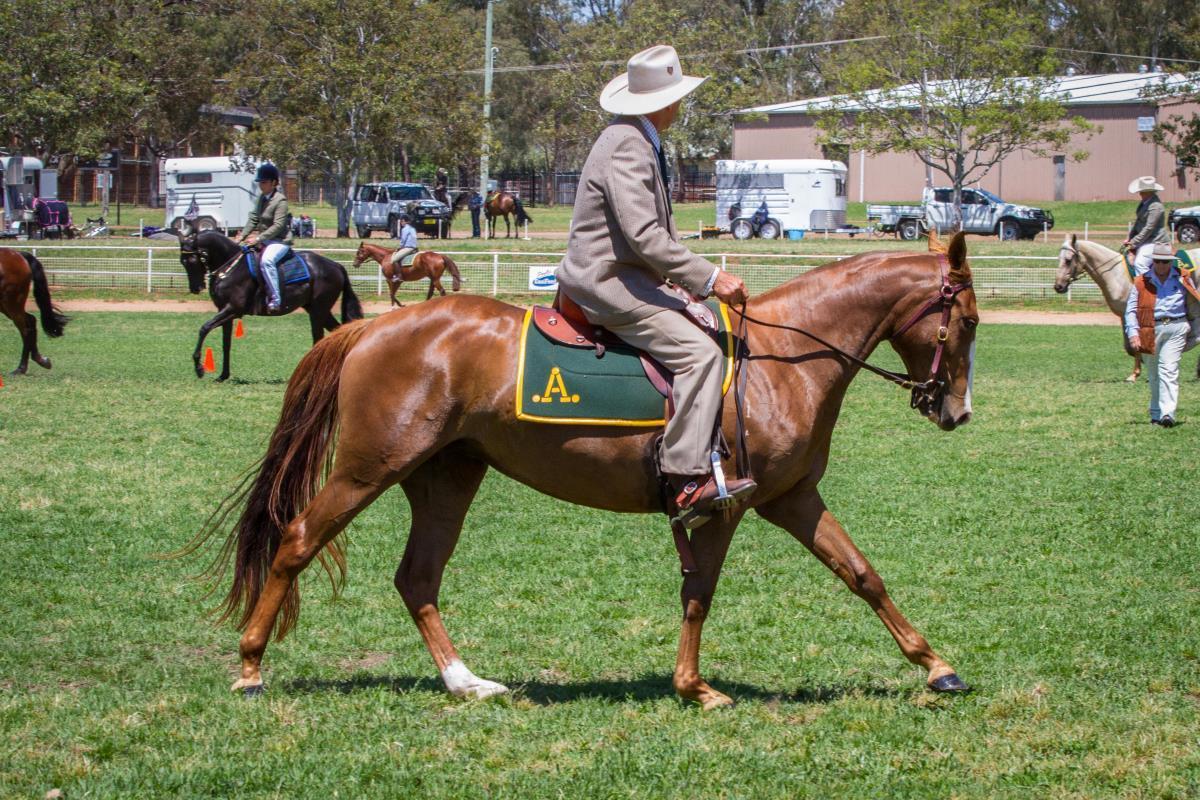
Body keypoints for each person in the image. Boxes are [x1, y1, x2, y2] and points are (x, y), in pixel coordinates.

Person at [555, 44, 755, 528]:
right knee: (700, 355)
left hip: (630, 274)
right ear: (667, 101)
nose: (681, 104)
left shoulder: (637, 138)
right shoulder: (628, 144)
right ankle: (686, 478)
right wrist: (711, 278)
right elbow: (644, 236)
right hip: (608, 283)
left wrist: (682, 286)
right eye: (678, 95)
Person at [1124, 242, 1200, 427]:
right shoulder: (1141, 281)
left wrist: (1196, 330)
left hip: (1177, 327)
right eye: (1157, 261)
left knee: (1169, 369)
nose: (1161, 265)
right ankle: (1156, 413)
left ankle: (1168, 414)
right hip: (1149, 329)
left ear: (1171, 262)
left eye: (1165, 261)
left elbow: (1193, 305)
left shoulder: (1183, 278)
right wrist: (1133, 333)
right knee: (1154, 374)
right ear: (1153, 261)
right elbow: (1131, 310)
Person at [237, 163, 293, 312]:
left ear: (274, 183)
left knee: (267, 261)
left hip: (280, 241)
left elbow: (278, 226)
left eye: (264, 182)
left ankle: (276, 300)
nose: (261, 185)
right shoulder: (262, 198)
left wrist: (257, 238)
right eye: (259, 182)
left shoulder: (280, 201)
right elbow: (254, 218)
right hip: (265, 239)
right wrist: (242, 236)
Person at [1124, 176, 1169, 276]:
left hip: (1156, 241)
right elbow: (1138, 222)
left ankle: (1147, 285)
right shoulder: (1144, 203)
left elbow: (1149, 228)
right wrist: (1129, 238)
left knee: (1140, 263)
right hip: (1144, 240)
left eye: (1142, 192)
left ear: (1150, 192)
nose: (1140, 193)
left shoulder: (1156, 206)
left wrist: (1134, 242)